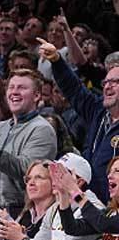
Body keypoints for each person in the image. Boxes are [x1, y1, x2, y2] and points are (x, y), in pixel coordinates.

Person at [39, 37, 119, 202]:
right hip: (87, 203)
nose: (108, 86)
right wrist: (57, 61)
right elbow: (74, 89)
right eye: (106, 82)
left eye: (115, 82)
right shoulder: (98, 112)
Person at [0, 69, 57, 218]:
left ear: (36, 96)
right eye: (11, 87)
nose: (14, 92)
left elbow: (26, 171)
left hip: (20, 212)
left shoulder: (42, 130)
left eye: (22, 88)